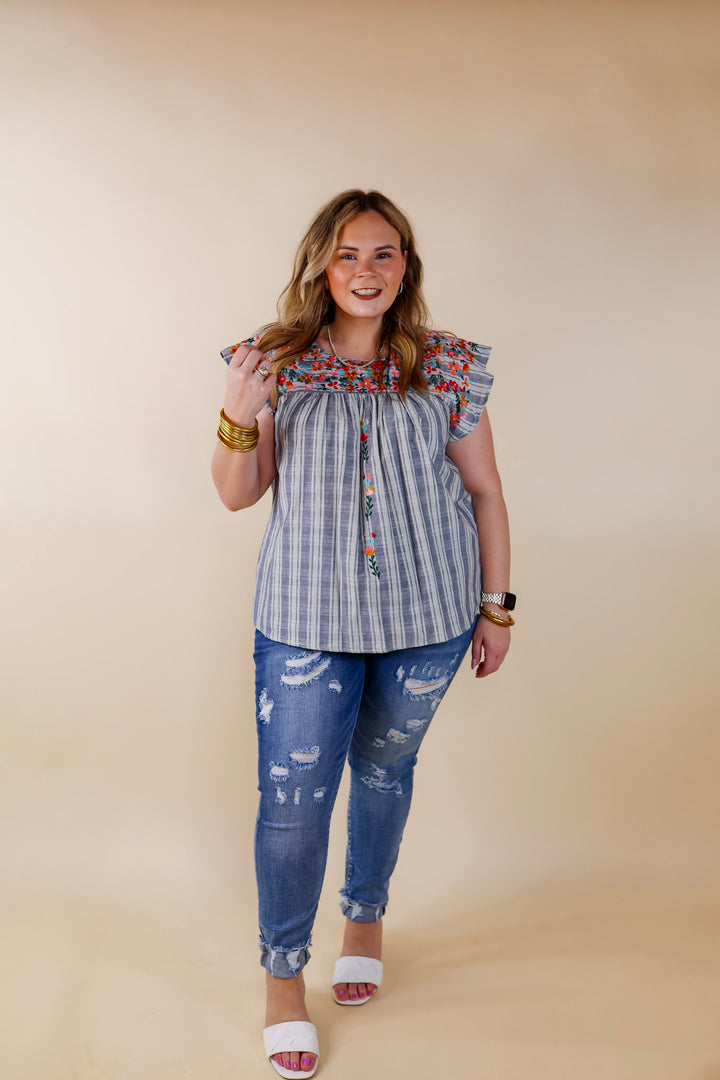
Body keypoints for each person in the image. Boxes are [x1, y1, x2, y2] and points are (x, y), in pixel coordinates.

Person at [211, 190, 513, 1078]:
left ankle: (365, 918)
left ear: (405, 267)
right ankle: (280, 981)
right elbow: (237, 492)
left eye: (384, 255)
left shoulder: (446, 365)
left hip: (428, 619)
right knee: (293, 808)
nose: (366, 272)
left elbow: (486, 491)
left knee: (385, 772)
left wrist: (496, 606)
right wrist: (239, 403)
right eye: (348, 255)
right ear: (321, 267)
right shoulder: (276, 362)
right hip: (306, 621)